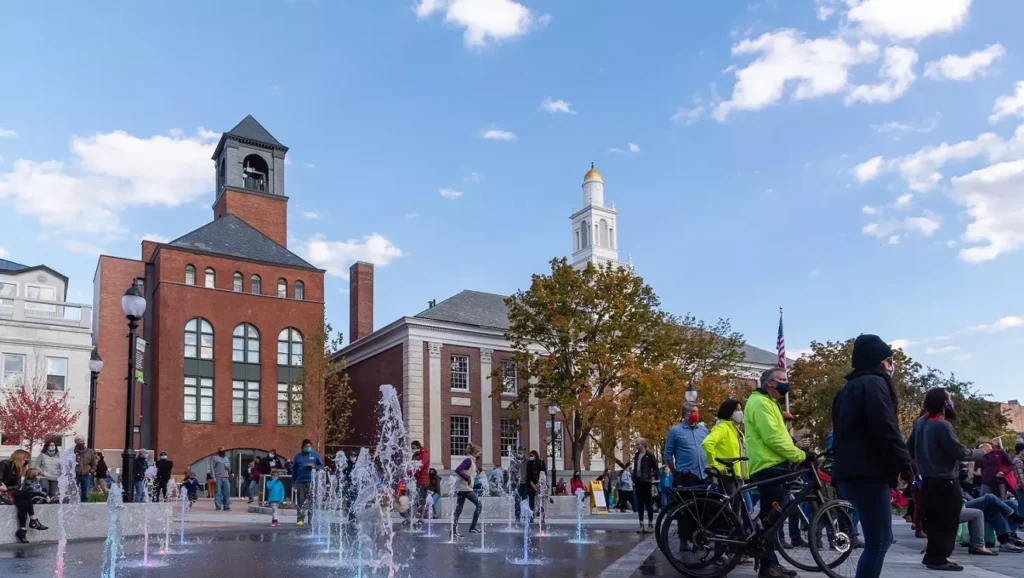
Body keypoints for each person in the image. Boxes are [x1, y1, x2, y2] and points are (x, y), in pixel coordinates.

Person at [831, 335, 913, 578]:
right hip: (867, 471)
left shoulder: (847, 389)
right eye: (888, 360)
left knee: (879, 540)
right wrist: (904, 462)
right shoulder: (874, 384)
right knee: (879, 541)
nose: (891, 366)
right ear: (879, 361)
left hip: (849, 472)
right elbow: (886, 427)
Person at [907, 387, 986, 571]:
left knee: (933, 520)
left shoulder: (920, 423)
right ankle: (940, 558)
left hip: (927, 479)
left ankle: (932, 555)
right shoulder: (942, 426)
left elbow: (909, 447)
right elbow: (958, 452)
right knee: (948, 520)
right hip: (946, 480)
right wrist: (981, 452)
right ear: (944, 404)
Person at [745, 367, 808, 578]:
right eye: (782, 379)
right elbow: (772, 437)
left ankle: (771, 562)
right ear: (770, 383)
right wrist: (799, 455)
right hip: (768, 466)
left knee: (772, 518)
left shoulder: (770, 403)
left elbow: (781, 435)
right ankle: (767, 566)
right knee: (770, 517)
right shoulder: (760, 403)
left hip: (774, 465)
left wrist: (797, 448)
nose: (786, 383)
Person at [1, 449, 48, 543]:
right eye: (25, 458)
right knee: (26, 494)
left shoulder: (20, 468)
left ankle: (22, 530)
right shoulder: (4, 463)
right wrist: (3, 487)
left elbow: (17, 485)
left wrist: (7, 488)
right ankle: (33, 519)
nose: (27, 460)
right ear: (19, 456)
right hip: (2, 491)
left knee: (23, 503)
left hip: (10, 491)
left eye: (28, 459)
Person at [664, 401, 709, 489]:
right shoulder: (675, 431)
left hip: (704, 475)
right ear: (685, 414)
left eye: (697, 412)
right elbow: (668, 454)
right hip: (687, 476)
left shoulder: (703, 430)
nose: (696, 414)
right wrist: (675, 473)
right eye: (693, 411)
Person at [453, 443, 483, 538]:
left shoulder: (471, 461)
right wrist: (468, 478)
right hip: (464, 488)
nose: (480, 455)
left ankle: (453, 532)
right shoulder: (468, 460)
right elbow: (458, 470)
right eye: (479, 453)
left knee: (458, 509)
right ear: (475, 453)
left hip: (463, 488)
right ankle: (472, 527)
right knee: (479, 505)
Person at [292, 439, 324, 526]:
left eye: (309, 446)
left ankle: (311, 519)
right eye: (306, 447)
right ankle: (300, 519)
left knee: (311, 501)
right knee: (300, 500)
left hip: (311, 481)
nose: (308, 448)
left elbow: (321, 466)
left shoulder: (315, 454)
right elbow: (294, 470)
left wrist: (314, 467)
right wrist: (293, 482)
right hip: (300, 481)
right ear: (302, 447)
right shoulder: (298, 456)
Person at [632, 438, 659, 533]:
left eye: (638, 444)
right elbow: (636, 468)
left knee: (648, 503)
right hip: (638, 481)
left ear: (643, 445)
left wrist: (649, 476)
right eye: (636, 444)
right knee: (640, 503)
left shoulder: (650, 455)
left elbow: (656, 469)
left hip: (646, 482)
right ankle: (641, 524)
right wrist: (634, 476)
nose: (636, 446)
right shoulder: (636, 455)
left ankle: (650, 524)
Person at [73, 436, 98, 503]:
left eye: (82, 441)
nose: (81, 442)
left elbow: (94, 463)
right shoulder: (72, 452)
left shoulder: (90, 452)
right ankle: (75, 508)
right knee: (74, 493)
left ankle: (85, 508)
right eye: (79, 441)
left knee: (85, 494)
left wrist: (91, 471)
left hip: (86, 474)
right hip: (75, 474)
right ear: (76, 442)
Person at [411, 441, 431, 519]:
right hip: (416, 479)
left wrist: (412, 470)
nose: (413, 450)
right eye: (412, 448)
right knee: (415, 498)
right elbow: (411, 465)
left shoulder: (424, 454)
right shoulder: (414, 455)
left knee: (422, 499)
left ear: (418, 447)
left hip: (423, 480)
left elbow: (421, 466)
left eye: (414, 448)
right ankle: (414, 517)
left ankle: (421, 518)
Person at [209, 447, 232, 511]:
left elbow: (229, 468)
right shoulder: (215, 458)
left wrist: (229, 470)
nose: (224, 452)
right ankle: (218, 506)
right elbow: (212, 468)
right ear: (219, 451)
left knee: (226, 492)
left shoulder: (226, 458)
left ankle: (226, 506)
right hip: (218, 477)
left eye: (224, 451)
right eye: (222, 451)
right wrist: (213, 477)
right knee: (218, 492)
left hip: (226, 477)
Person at [1014, 442, 1024, 518]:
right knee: (1022, 506)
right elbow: (1020, 477)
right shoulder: (1018, 461)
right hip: (1020, 488)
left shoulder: (1018, 460)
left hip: (1019, 487)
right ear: (1021, 450)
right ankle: (1021, 524)